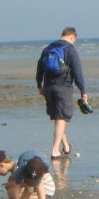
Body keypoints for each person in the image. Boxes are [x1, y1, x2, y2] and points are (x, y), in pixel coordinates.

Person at [35, 27, 88, 160]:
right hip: (63, 87)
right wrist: (83, 91)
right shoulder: (70, 49)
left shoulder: (48, 48)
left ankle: (66, 145)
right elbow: (77, 72)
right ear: (72, 37)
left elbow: (39, 67)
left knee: (58, 118)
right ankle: (54, 150)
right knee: (61, 118)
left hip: (48, 87)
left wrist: (39, 85)